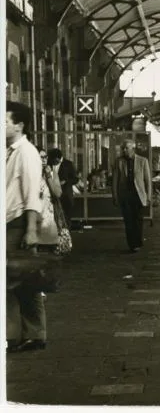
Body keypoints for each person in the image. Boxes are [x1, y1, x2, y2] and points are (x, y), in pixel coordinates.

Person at [5, 101, 48, 353]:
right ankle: (16, 335)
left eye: (5, 121)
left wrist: (31, 230)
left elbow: (33, 194)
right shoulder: (9, 150)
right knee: (12, 282)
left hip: (19, 224)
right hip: (9, 223)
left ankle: (34, 334)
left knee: (25, 282)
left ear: (19, 125)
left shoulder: (27, 152)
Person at [111, 139, 152, 252]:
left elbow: (147, 180)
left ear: (132, 149)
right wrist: (115, 196)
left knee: (138, 219)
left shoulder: (143, 161)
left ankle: (138, 242)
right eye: (123, 148)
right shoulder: (118, 161)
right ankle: (132, 244)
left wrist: (148, 196)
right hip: (125, 196)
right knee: (128, 220)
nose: (124, 150)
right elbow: (115, 180)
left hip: (138, 196)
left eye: (126, 148)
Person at [48, 148, 79, 229]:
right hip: (53, 196)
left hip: (66, 196)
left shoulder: (68, 164)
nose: (53, 163)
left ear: (59, 158)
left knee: (66, 218)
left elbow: (76, 179)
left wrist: (66, 181)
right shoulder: (49, 164)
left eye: (55, 161)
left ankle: (66, 235)